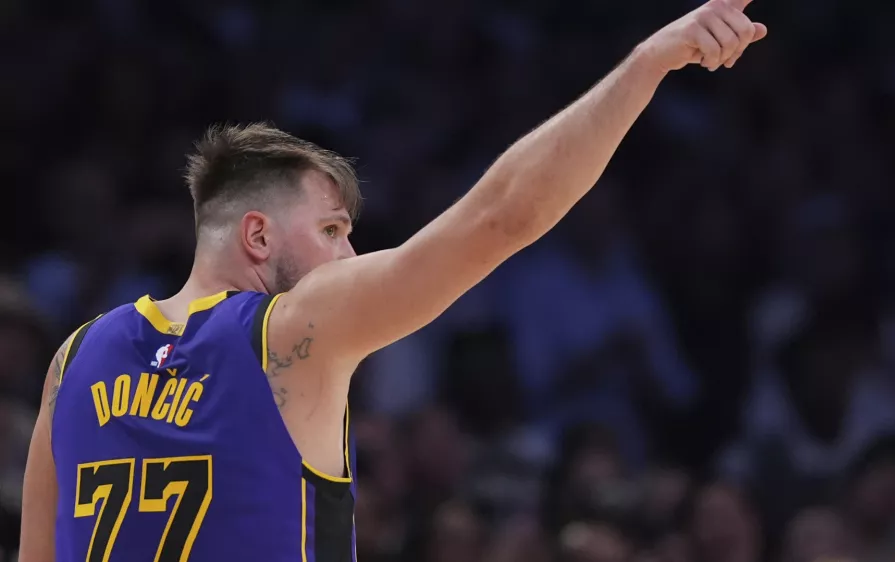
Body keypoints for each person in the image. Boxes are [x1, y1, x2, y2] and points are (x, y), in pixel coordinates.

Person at [19, 1, 767, 560]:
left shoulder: (74, 360)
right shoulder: (289, 333)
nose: (348, 260)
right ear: (257, 236)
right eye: (333, 232)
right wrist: (645, 66)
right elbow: (500, 217)